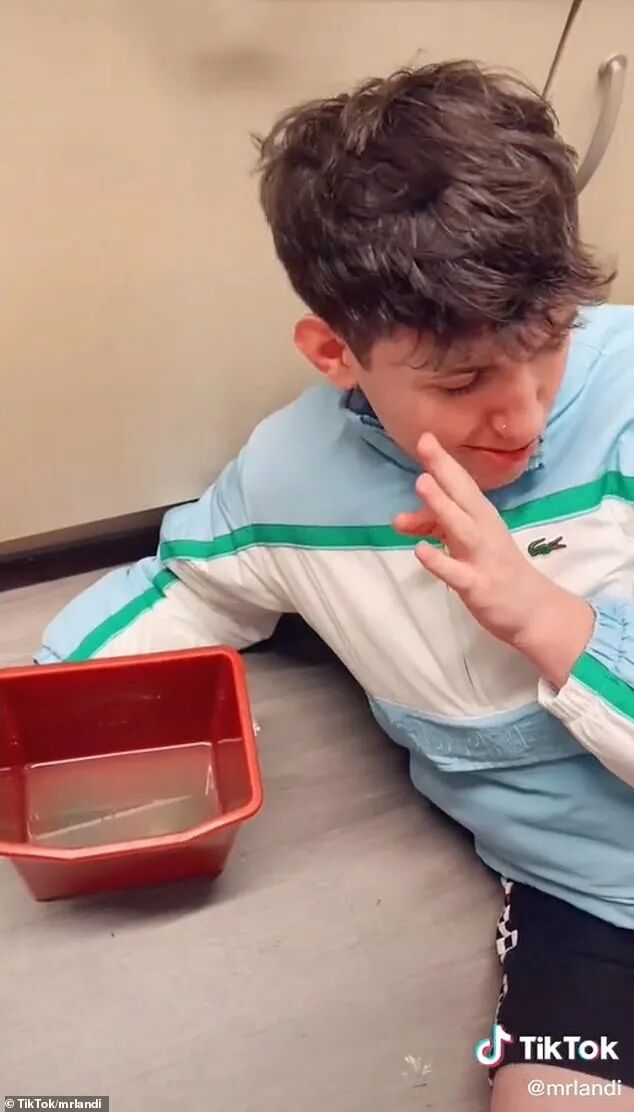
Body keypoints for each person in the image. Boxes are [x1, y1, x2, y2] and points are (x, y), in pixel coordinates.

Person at [38, 62, 634, 1108]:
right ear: (333, 352)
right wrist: (43, 709)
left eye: (547, 344)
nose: (522, 415)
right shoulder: (288, 479)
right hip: (587, 897)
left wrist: (549, 619)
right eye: (461, 381)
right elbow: (179, 594)